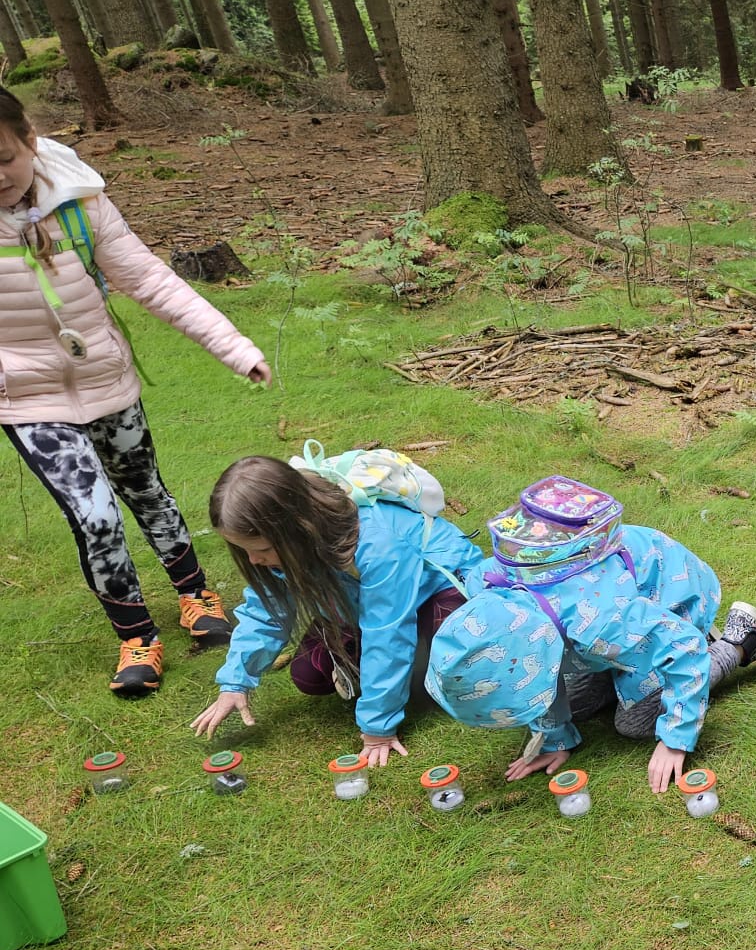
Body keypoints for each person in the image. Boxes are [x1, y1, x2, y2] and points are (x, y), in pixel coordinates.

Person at [0, 86, 272, 696]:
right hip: (29, 401)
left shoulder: (80, 203)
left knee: (146, 491)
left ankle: (195, 595)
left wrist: (235, 348)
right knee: (94, 516)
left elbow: (151, 280)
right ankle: (137, 636)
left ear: (30, 141)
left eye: (3, 159)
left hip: (107, 380)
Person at [425, 492, 756, 793]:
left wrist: (675, 740)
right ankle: (622, 670)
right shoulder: (485, 590)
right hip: (605, 614)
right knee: (579, 706)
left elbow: (685, 650)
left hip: (671, 594)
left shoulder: (599, 623)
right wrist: (553, 739)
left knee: (634, 723)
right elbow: (537, 675)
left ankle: (741, 639)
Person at [191, 454, 483, 766]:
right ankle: (402, 674)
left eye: (262, 549)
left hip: (438, 590)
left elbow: (387, 636)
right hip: (359, 602)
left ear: (299, 529)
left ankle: (422, 668)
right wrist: (235, 682)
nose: (253, 561)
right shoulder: (294, 545)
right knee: (309, 675)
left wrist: (377, 728)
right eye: (243, 550)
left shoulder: (378, 545)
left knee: (453, 667)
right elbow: (265, 612)